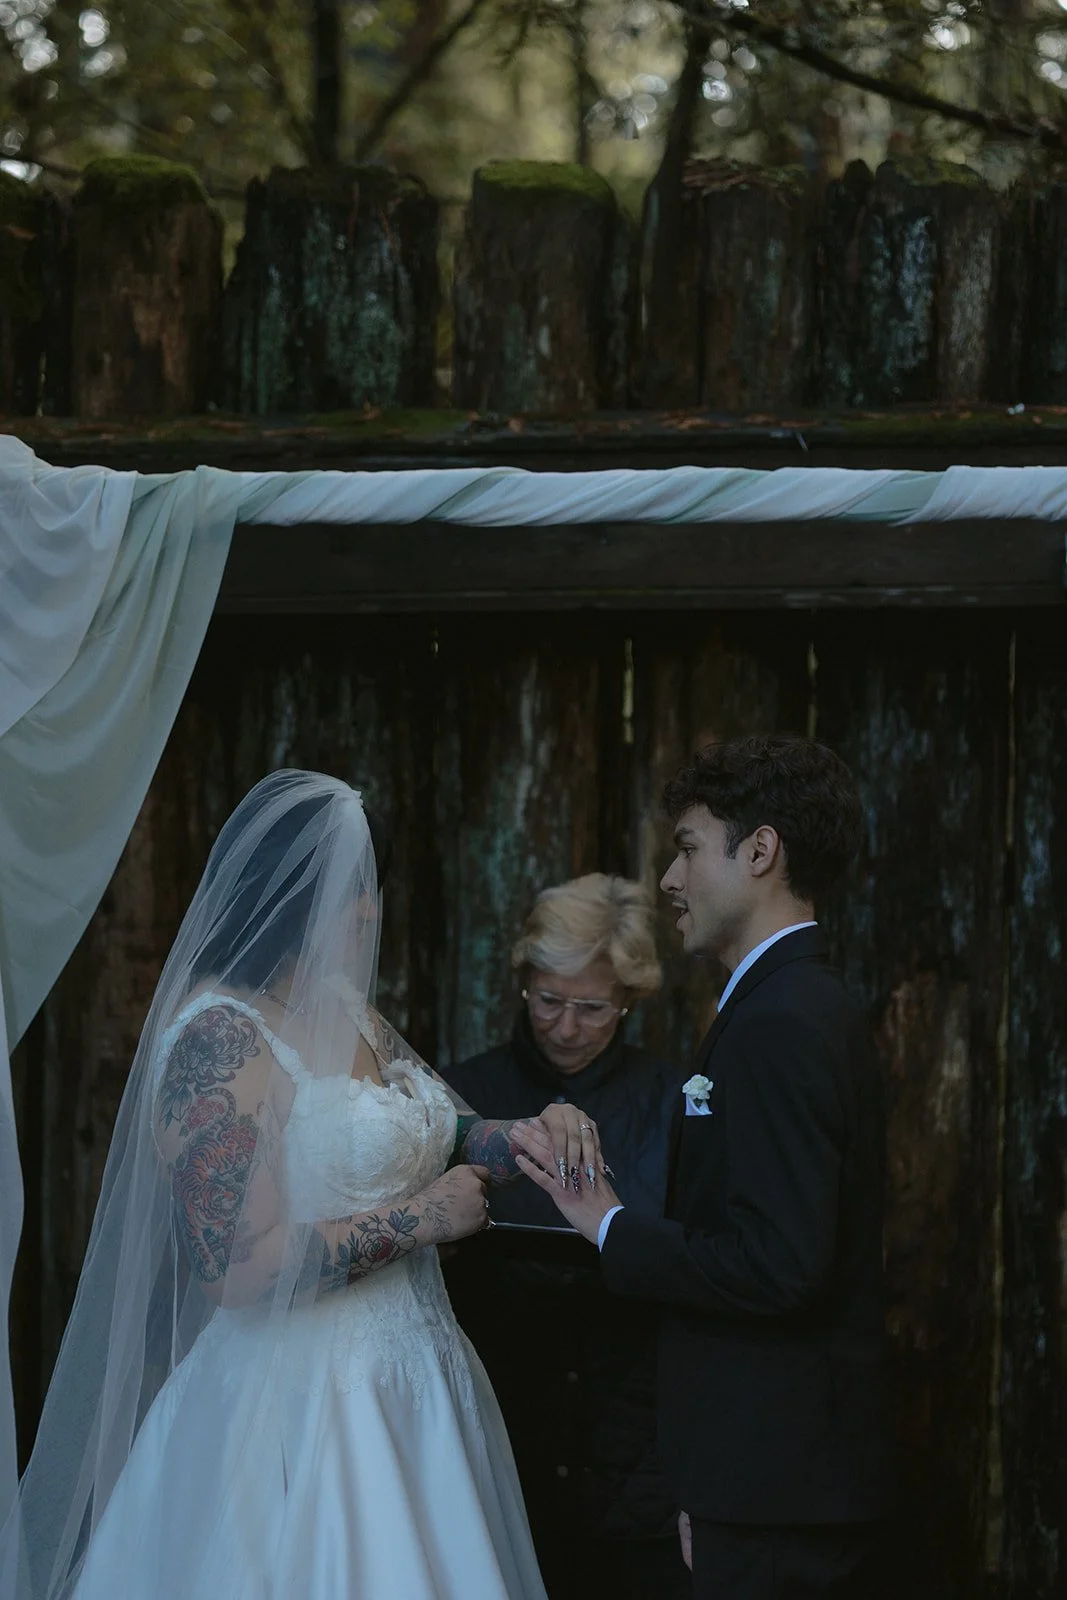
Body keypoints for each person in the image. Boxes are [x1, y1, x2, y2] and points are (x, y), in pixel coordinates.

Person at [3, 770, 604, 1600]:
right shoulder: (217, 1039)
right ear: (279, 893)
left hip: (415, 1383)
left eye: (369, 887)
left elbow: (442, 1128)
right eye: (347, 888)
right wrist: (424, 1219)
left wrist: (532, 1132)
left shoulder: (345, 1009)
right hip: (298, 1410)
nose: (367, 910)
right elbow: (237, 1270)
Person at [518, 736, 893, 1600]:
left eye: (687, 847)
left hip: (779, 1490)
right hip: (760, 1483)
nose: (669, 881)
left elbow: (780, 1266)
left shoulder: (781, 1023)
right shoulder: (785, 1004)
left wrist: (608, 1223)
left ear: (759, 851)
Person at [442, 874, 691, 1600]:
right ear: (521, 981)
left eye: (592, 1007)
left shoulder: (673, 1105)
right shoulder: (462, 1094)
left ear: (630, 998)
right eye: (547, 1000)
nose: (565, 1027)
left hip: (633, 1438)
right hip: (502, 1414)